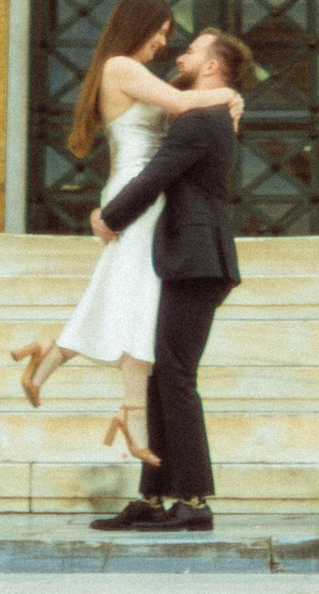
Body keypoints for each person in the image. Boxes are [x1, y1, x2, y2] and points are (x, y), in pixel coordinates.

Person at [10, 0, 244, 464]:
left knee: (128, 296)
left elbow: (179, 114)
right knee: (138, 304)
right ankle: (128, 409)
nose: (163, 43)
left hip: (143, 193)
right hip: (137, 193)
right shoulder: (120, 66)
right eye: (159, 32)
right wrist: (230, 93)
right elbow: (180, 101)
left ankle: (55, 355)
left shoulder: (131, 72)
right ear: (139, 25)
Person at [88, 26, 254, 537]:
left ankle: (194, 501)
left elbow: (157, 173)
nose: (179, 54)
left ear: (211, 67)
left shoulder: (200, 119)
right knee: (163, 374)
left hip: (197, 260)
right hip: (187, 259)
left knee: (176, 377)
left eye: (192, 50)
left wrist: (109, 218)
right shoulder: (202, 111)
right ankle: (157, 496)